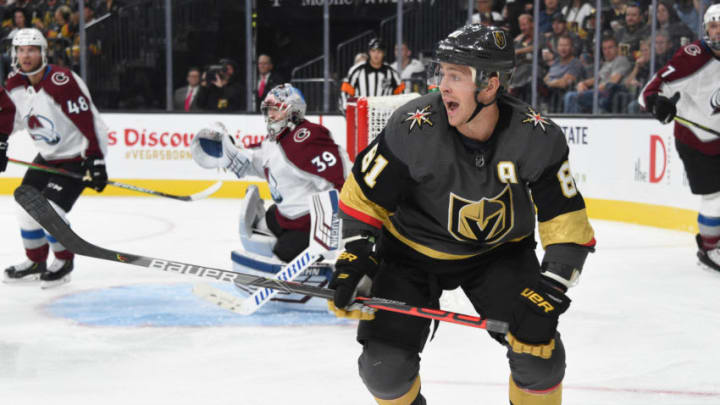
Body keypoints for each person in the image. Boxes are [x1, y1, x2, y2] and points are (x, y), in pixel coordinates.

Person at [328, 24, 595, 404]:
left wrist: (549, 292)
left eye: (457, 75)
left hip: (498, 255)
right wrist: (356, 255)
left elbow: (567, 224)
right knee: (383, 370)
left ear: (490, 85)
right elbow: (361, 200)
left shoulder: (536, 137)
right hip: (410, 254)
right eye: (442, 72)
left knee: (542, 361)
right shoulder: (412, 125)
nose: (443, 85)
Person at [191, 84, 349, 262]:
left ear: (294, 111)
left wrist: (331, 232)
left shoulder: (308, 137)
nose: (270, 115)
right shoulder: (275, 139)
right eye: (268, 110)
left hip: (307, 224)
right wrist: (233, 154)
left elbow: (341, 181)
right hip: (286, 214)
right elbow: (263, 163)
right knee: (259, 227)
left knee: (280, 256)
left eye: (276, 109)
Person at [2, 28, 109, 288]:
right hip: (48, 156)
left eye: (32, 50)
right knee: (24, 206)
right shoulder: (15, 82)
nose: (26, 55)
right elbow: (11, 117)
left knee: (50, 211)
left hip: (77, 156)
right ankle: (36, 261)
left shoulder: (61, 82)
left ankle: (63, 262)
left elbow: (90, 122)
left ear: (43, 53)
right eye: (21, 50)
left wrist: (95, 159)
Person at [639, 4, 720, 272]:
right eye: (713, 25)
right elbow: (649, 92)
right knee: (714, 197)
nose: (718, 31)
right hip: (697, 140)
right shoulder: (693, 56)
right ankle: (710, 248)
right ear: (706, 29)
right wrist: (657, 104)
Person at [563, 36, 631, 113]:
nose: (607, 51)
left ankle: (572, 123)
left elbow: (612, 82)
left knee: (571, 96)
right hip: (598, 93)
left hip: (610, 95)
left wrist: (591, 90)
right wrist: (582, 83)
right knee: (572, 97)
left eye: (610, 48)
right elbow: (596, 79)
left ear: (617, 48)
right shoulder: (607, 63)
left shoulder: (621, 60)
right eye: (604, 49)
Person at [340, 38, 404, 111]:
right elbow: (345, 91)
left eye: (379, 51)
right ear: (369, 52)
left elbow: (401, 94)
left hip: (384, 114)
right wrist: (347, 108)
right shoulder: (357, 70)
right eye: (373, 51)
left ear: (384, 53)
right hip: (361, 114)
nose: (376, 54)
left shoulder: (392, 73)